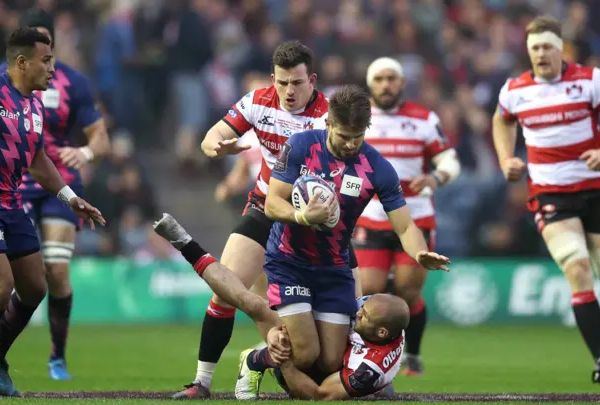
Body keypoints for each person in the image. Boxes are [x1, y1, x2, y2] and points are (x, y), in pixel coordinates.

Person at [234, 85, 450, 399]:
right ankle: (255, 360)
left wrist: (419, 252)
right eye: (344, 135)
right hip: (288, 261)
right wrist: (304, 217)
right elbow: (272, 204)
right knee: (305, 353)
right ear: (329, 124)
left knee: (332, 359)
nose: (350, 144)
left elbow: (404, 226)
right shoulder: (300, 146)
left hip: (334, 268)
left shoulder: (377, 167)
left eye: (357, 136)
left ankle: (285, 365)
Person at [174, 41, 360, 400]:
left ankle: (364, 373)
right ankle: (202, 382)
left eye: (297, 83)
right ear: (273, 79)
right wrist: (216, 147)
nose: (289, 91)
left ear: (313, 80)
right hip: (264, 207)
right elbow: (213, 136)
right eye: (282, 82)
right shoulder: (258, 101)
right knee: (225, 291)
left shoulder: (328, 116)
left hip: (316, 221)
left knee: (351, 310)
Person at [492, 15, 600, 383]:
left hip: (595, 191)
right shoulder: (514, 90)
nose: (540, 54)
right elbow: (501, 120)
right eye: (534, 48)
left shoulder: (588, 80)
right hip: (549, 195)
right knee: (577, 268)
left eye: (546, 47)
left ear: (561, 50)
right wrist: (506, 158)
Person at [153, 213, 410, 400]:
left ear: (381, 334)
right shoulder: (377, 315)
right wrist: (290, 324)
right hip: (335, 343)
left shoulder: (368, 368)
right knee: (257, 305)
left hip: (311, 376)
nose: (359, 310)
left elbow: (319, 394)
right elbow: (350, 305)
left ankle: (258, 359)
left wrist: (282, 361)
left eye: (363, 315)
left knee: (307, 350)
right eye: (363, 306)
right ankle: (186, 244)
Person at [0, 8, 110, 380]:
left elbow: (37, 158)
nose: (53, 68)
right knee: (3, 286)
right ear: (21, 60)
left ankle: (0, 359)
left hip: (11, 201)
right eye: (46, 60)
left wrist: (69, 197)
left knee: (34, 287)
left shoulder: (32, 103)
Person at [353, 57, 461, 376]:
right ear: (370, 84)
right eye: (379, 79)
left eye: (391, 78)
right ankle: (370, 357)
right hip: (370, 216)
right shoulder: (358, 119)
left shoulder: (424, 119)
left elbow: (449, 160)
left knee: (407, 293)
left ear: (401, 83)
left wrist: (436, 178)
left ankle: (412, 354)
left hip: (415, 219)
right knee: (368, 293)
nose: (386, 84)